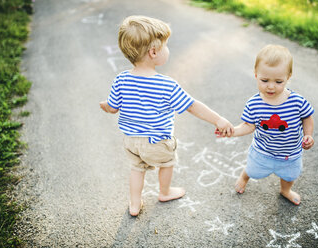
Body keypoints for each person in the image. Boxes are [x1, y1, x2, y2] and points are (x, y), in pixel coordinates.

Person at [100, 15, 234, 216]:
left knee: (137, 169)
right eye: (165, 46)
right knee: (167, 163)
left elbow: (113, 107)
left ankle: (135, 204)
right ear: (153, 52)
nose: (168, 49)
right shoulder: (166, 85)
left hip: (131, 141)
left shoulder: (121, 79)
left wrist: (105, 106)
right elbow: (191, 106)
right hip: (157, 141)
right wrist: (218, 119)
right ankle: (165, 192)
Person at [217, 44, 314, 205]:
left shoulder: (297, 101)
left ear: (288, 77)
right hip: (262, 151)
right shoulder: (254, 103)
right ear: (256, 75)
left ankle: (285, 190)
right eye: (264, 80)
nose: (270, 86)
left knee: (290, 176)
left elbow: (307, 117)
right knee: (252, 170)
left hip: (290, 154)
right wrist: (232, 131)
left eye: (278, 81)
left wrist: (308, 135)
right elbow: (249, 125)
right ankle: (244, 177)